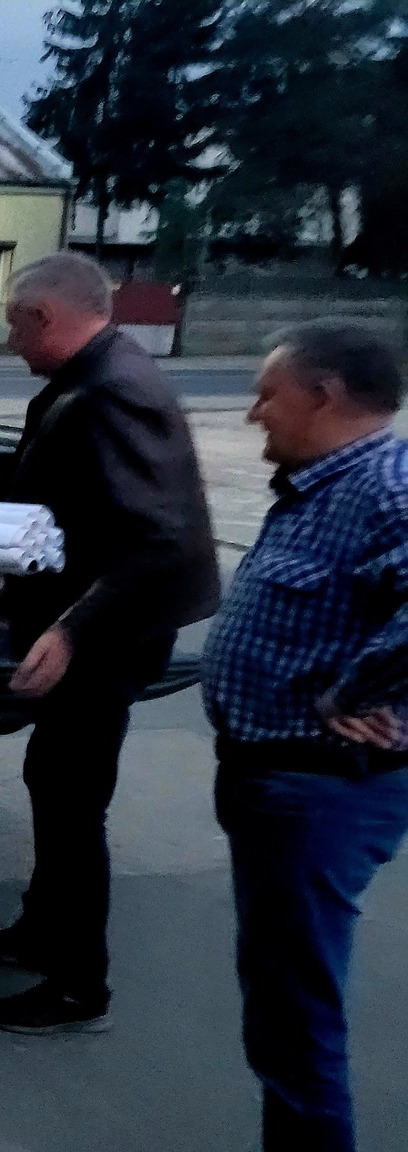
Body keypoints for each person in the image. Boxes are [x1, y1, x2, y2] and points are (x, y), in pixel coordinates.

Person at [0, 251, 220, 1033]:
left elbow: (157, 541)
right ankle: (42, 931)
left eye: (13, 324)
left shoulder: (115, 391)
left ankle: (78, 984)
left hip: (109, 637)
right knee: (54, 776)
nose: (9, 341)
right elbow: (75, 509)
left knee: (73, 798)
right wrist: (15, 587)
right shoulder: (92, 377)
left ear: (44, 316)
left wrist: (71, 630)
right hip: (93, 621)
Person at [201, 320, 408, 1152]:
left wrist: (355, 690)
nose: (254, 413)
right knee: (282, 1005)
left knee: (294, 1020)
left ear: (324, 395)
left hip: (319, 790)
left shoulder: (384, 487)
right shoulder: (323, 486)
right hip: (279, 782)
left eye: (267, 394)